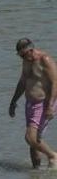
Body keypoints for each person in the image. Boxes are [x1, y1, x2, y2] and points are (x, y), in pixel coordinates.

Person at [10, 39, 57, 168]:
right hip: (30, 103)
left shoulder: (44, 60)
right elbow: (23, 82)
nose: (22, 58)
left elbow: (55, 83)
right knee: (34, 143)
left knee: (30, 137)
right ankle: (36, 176)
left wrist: (50, 107)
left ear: (31, 50)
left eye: (23, 55)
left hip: (44, 104)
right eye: (20, 56)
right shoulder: (26, 60)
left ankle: (53, 156)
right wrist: (13, 101)